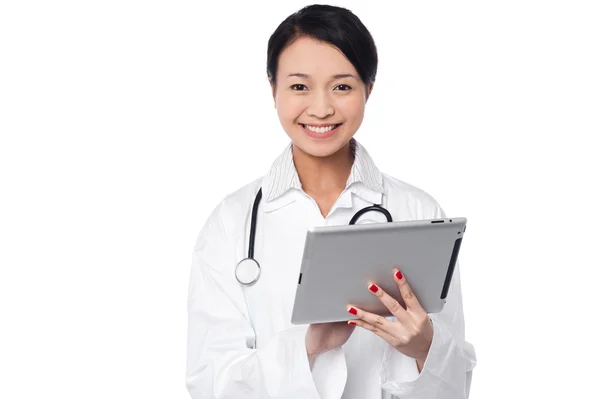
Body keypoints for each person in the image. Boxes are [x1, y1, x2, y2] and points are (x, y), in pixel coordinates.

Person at [186, 4, 476, 398]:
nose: (320, 108)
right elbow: (210, 385)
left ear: (368, 89)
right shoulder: (231, 222)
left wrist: (424, 347)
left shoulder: (420, 213)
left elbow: (456, 387)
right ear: (273, 89)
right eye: (299, 86)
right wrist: (309, 345)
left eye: (342, 86)